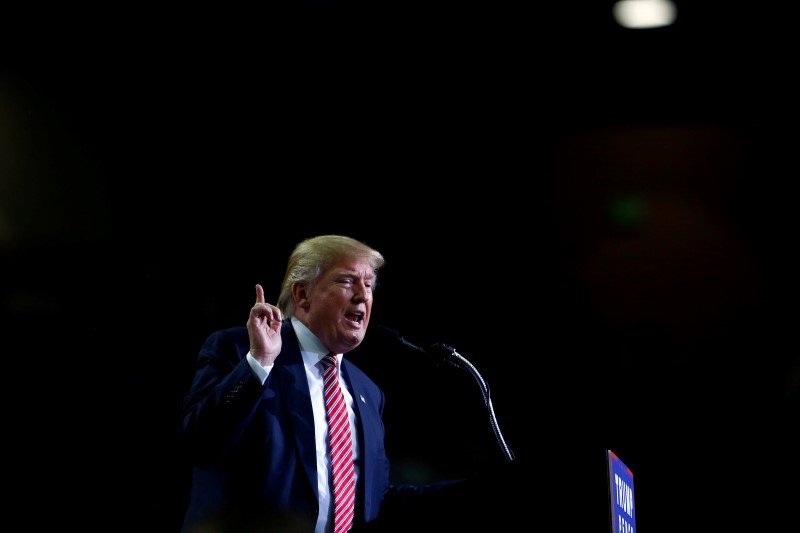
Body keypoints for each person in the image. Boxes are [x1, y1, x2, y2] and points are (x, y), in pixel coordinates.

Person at [178, 234, 487, 533]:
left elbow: (373, 502)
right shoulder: (238, 349)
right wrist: (259, 361)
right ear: (302, 294)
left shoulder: (368, 392)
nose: (363, 296)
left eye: (368, 285)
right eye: (347, 281)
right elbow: (200, 442)